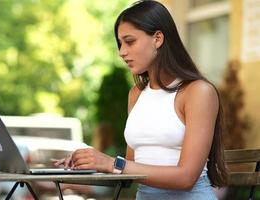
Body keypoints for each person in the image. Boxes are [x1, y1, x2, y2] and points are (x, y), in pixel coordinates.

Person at [55, 1, 228, 199]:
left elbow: (186, 178)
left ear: (158, 38)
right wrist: (87, 161)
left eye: (130, 41)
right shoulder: (136, 94)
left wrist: (112, 163)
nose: (122, 52)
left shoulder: (198, 92)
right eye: (120, 44)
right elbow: (131, 168)